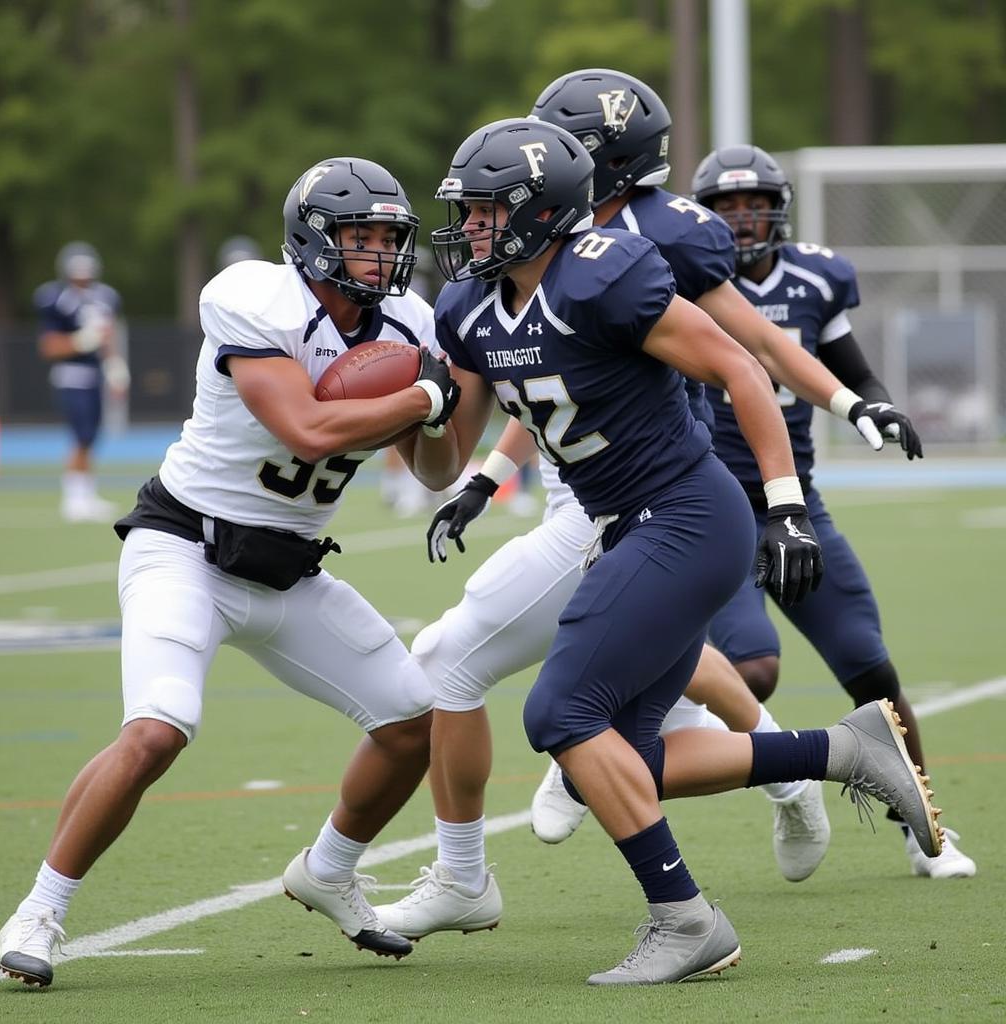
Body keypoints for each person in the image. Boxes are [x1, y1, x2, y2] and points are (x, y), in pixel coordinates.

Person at [372, 116, 943, 985]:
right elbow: (443, 460)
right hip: (622, 525)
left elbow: (743, 369)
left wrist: (785, 508)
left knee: (560, 716)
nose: (469, 229)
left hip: (686, 514)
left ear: (540, 212)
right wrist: (413, 405)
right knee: (629, 763)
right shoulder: (468, 308)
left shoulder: (606, 275)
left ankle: (685, 921)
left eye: (486, 212)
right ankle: (844, 751)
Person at [0, 157, 465, 989]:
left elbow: (433, 472)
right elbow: (311, 429)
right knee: (157, 729)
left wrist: (447, 399)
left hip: (290, 571)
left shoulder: (411, 321)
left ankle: (327, 869)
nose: (381, 256)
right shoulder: (255, 296)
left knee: (410, 723)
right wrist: (425, 398)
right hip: (185, 549)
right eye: (363, 238)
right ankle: (42, 906)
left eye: (392, 239)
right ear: (314, 239)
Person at [688, 143, 975, 880]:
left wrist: (873, 402)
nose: (743, 220)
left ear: (778, 210)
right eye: (727, 208)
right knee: (752, 668)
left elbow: (849, 365)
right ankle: (790, 788)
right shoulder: (679, 280)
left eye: (754, 205)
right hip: (713, 505)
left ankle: (921, 825)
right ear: (704, 217)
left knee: (870, 669)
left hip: (796, 505)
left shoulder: (818, 275)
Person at [34, 242, 129, 522]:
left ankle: (86, 494)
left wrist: (114, 366)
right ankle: (73, 498)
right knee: (81, 435)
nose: (82, 278)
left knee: (91, 435)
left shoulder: (104, 297)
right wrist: (79, 341)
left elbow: (107, 337)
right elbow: (48, 347)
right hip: (71, 375)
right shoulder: (56, 299)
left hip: (95, 374)